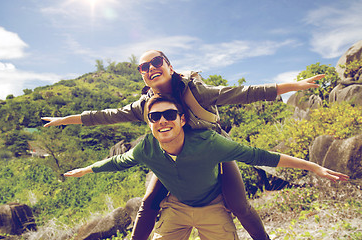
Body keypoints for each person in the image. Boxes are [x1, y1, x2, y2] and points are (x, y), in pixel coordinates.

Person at [42, 50, 325, 240]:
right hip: (171, 154)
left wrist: (295, 86)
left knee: (238, 204)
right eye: (144, 67)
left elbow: (244, 93)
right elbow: (106, 116)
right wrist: (65, 119)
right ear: (141, 74)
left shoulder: (195, 91)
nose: (151, 69)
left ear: (169, 67)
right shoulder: (144, 105)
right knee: (149, 202)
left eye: (157, 63)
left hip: (212, 150)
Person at [63, 94, 349, 240]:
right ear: (148, 122)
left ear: (182, 119)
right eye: (155, 117)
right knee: (148, 204)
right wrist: (86, 170)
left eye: (169, 114)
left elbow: (261, 155)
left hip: (213, 207)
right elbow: (117, 162)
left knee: (242, 207)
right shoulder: (146, 148)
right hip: (175, 208)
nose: (162, 120)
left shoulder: (210, 143)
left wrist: (313, 166)